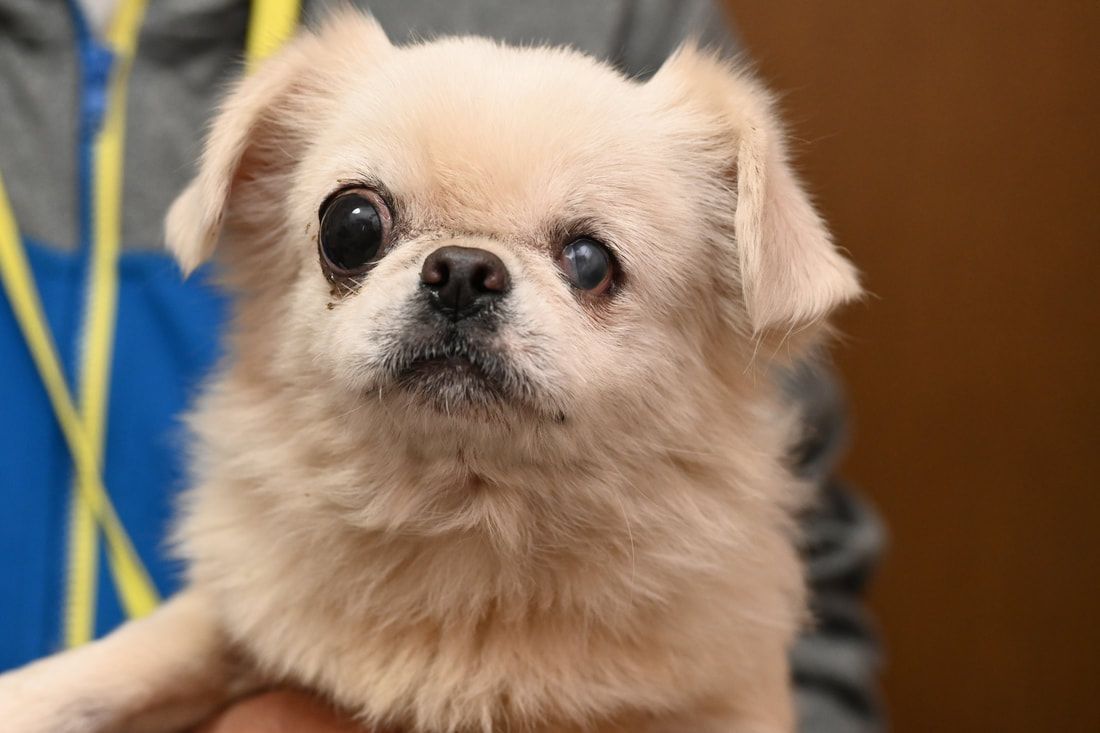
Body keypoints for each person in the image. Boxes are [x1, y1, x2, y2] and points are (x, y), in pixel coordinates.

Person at [0, 1, 884, 730]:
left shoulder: (628, 19)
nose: (458, 281)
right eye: (360, 232)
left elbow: (828, 616)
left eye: (588, 263)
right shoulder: (251, 586)